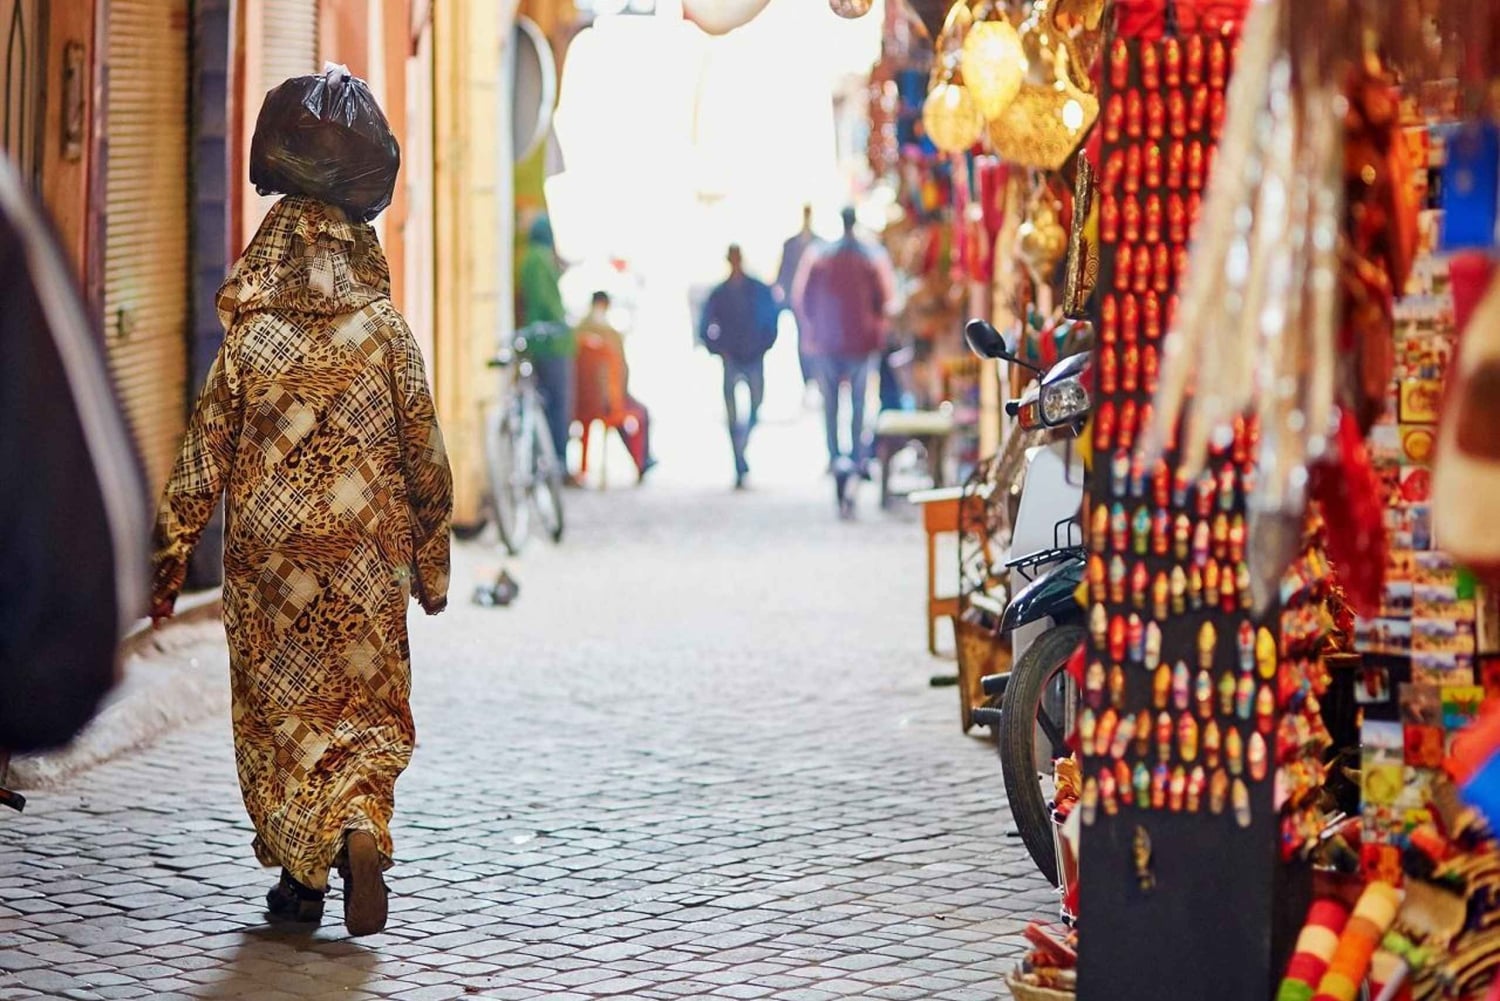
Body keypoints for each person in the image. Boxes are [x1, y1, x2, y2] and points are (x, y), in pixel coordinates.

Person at [151, 195, 453, 937]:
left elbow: (201, 459)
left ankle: (302, 878)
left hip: (272, 576)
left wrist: (164, 565)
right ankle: (356, 823)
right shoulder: (386, 335)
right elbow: (426, 459)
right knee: (361, 709)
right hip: (363, 562)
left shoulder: (251, 343)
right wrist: (433, 565)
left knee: (285, 721)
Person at [0, 155, 149, 754]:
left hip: (273, 562)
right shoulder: (382, 328)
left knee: (284, 702)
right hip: (355, 562)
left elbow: (210, 443)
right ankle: (354, 805)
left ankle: (308, 815)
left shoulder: (252, 320)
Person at [798, 207, 889, 474]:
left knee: (832, 405)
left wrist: (814, 330)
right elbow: (882, 300)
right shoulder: (868, 259)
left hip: (828, 342)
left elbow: (804, 299)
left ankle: (835, 455)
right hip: (859, 343)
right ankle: (857, 458)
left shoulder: (822, 257)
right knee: (858, 405)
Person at [699, 245, 779, 489]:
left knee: (755, 406)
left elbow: (771, 318)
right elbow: (705, 326)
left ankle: (741, 450)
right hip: (732, 357)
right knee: (733, 414)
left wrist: (764, 344)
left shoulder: (756, 289)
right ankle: (739, 459)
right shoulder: (720, 293)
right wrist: (718, 348)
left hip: (753, 356)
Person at [574, 291, 655, 479]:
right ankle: (642, 460)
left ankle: (642, 461)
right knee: (640, 413)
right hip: (609, 400)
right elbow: (622, 371)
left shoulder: (579, 330)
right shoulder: (611, 334)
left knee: (618, 411)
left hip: (584, 401)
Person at [517, 215, 576, 474]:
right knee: (558, 404)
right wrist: (560, 324)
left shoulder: (529, 258)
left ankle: (549, 461)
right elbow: (547, 301)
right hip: (552, 343)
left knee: (546, 402)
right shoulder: (540, 259)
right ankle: (558, 462)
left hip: (539, 339)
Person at [775, 204, 821, 388]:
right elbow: (783, 270)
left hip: (816, 303)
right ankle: (807, 376)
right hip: (798, 301)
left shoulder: (819, 243)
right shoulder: (791, 244)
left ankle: (814, 374)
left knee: (815, 338)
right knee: (802, 336)